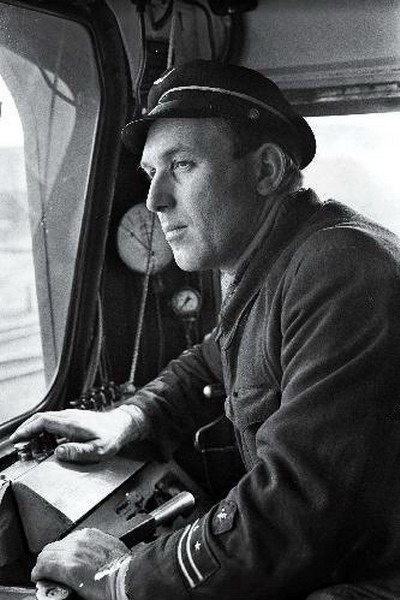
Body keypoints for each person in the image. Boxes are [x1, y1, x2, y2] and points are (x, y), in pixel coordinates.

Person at [11, 60, 400, 600]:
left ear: (265, 170)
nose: (155, 199)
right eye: (151, 172)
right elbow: (211, 360)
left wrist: (121, 577)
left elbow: (293, 512)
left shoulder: (338, 270)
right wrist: (129, 418)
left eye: (182, 165)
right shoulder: (274, 269)